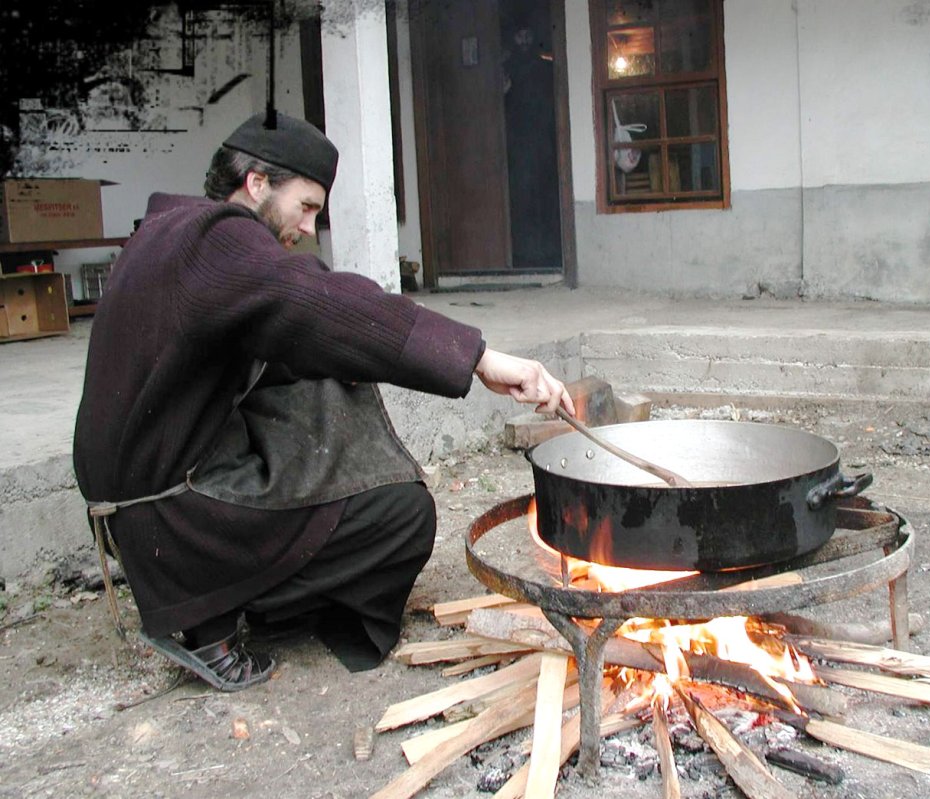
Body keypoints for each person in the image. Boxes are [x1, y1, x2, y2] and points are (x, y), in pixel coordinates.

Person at [73, 111, 574, 691]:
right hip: (172, 510)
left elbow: (298, 325)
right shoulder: (219, 240)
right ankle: (204, 616)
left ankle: (225, 590)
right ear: (257, 184)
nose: (309, 227)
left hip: (144, 495)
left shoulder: (174, 230)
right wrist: (480, 358)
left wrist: (358, 356)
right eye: (306, 206)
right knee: (401, 515)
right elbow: (316, 301)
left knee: (335, 375)